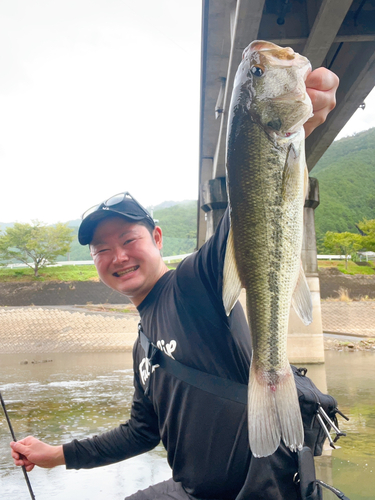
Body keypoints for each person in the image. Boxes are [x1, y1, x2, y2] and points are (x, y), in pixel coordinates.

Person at [10, 68, 339, 500]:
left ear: (158, 238)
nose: (119, 257)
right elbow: (140, 432)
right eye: (102, 250)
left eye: (129, 240)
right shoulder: (143, 343)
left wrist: (288, 131)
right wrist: (58, 454)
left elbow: (249, 216)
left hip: (258, 490)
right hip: (190, 491)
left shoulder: (192, 284)